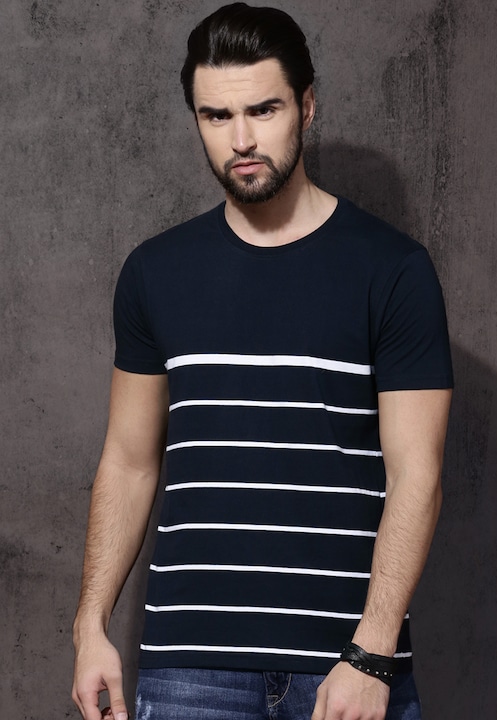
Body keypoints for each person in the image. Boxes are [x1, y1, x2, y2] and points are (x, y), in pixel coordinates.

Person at [71, 4, 453, 720]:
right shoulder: (156, 272)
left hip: (344, 667)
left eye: (263, 110)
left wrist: (371, 653)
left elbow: (418, 475)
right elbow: (127, 461)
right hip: (191, 669)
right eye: (216, 116)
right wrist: (90, 626)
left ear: (306, 107)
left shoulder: (393, 270)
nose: (241, 139)